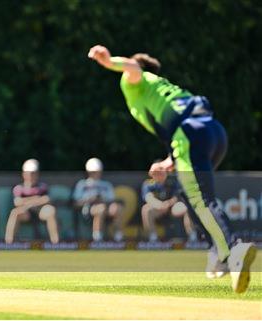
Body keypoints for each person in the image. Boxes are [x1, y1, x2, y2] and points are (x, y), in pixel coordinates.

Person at [88, 45, 256, 293]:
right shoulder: (163, 88)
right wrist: (170, 162)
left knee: (200, 199)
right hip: (214, 133)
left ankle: (231, 249)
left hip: (189, 135)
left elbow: (133, 67)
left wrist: (108, 61)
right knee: (188, 193)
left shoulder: (137, 81)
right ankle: (218, 252)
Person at [4, 159, 59, 244]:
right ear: (24, 174)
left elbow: (47, 199)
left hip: (40, 212)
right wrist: (36, 199)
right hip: (26, 213)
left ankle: (55, 243)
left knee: (51, 210)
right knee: (15, 212)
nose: (32, 176)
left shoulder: (42, 187)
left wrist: (28, 202)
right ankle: (8, 243)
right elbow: (17, 202)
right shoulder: (19, 188)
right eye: (30, 173)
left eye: (34, 173)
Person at [72, 158, 124, 242]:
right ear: (88, 172)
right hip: (88, 209)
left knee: (117, 207)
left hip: (106, 207)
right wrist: (90, 200)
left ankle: (118, 236)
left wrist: (103, 200)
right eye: (93, 172)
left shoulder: (106, 185)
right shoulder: (82, 184)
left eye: (97, 171)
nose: (95, 174)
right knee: (100, 208)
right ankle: (97, 237)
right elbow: (76, 203)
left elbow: (112, 200)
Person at [141, 174, 197, 243]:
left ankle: (193, 236)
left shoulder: (173, 181)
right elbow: (148, 198)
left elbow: (177, 196)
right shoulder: (148, 183)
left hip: (173, 207)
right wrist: (160, 205)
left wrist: (167, 204)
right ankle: (153, 239)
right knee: (146, 209)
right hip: (158, 209)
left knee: (187, 208)